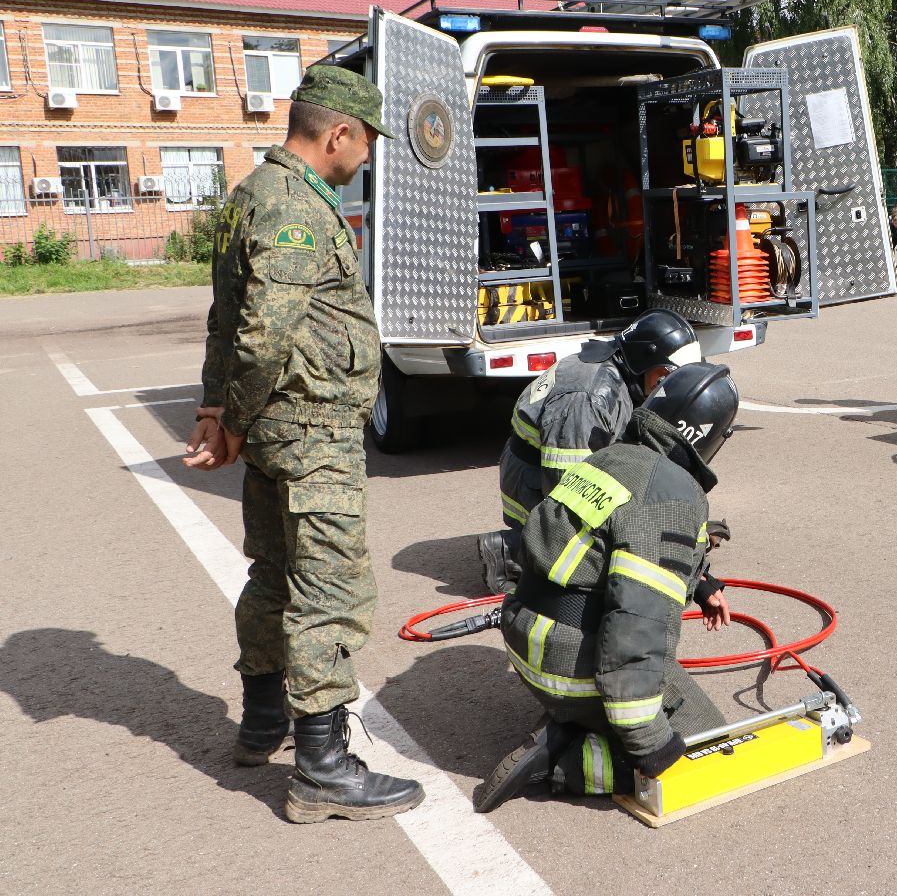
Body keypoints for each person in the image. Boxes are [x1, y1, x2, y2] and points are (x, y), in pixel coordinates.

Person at [183, 64, 423, 823]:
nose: (369, 158)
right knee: (330, 590)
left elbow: (224, 320)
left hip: (277, 429)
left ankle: (263, 722)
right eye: (368, 143)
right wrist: (236, 421)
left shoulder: (251, 194)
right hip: (309, 427)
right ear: (338, 133)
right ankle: (322, 767)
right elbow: (260, 336)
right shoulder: (293, 210)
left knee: (275, 572)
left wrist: (217, 411)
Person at [474, 362, 741, 813]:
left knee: (655, 712)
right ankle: (565, 758)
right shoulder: (673, 495)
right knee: (708, 743)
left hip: (525, 634)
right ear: (711, 438)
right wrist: (650, 741)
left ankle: (581, 718)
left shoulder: (607, 458)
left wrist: (700, 584)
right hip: (564, 663)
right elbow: (636, 631)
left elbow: (606, 545)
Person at [480, 309, 704, 595]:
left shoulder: (622, 375)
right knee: (601, 553)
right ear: (645, 359)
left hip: (552, 470)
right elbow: (568, 490)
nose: (669, 385)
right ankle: (509, 552)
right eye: (668, 375)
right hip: (535, 484)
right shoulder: (587, 400)